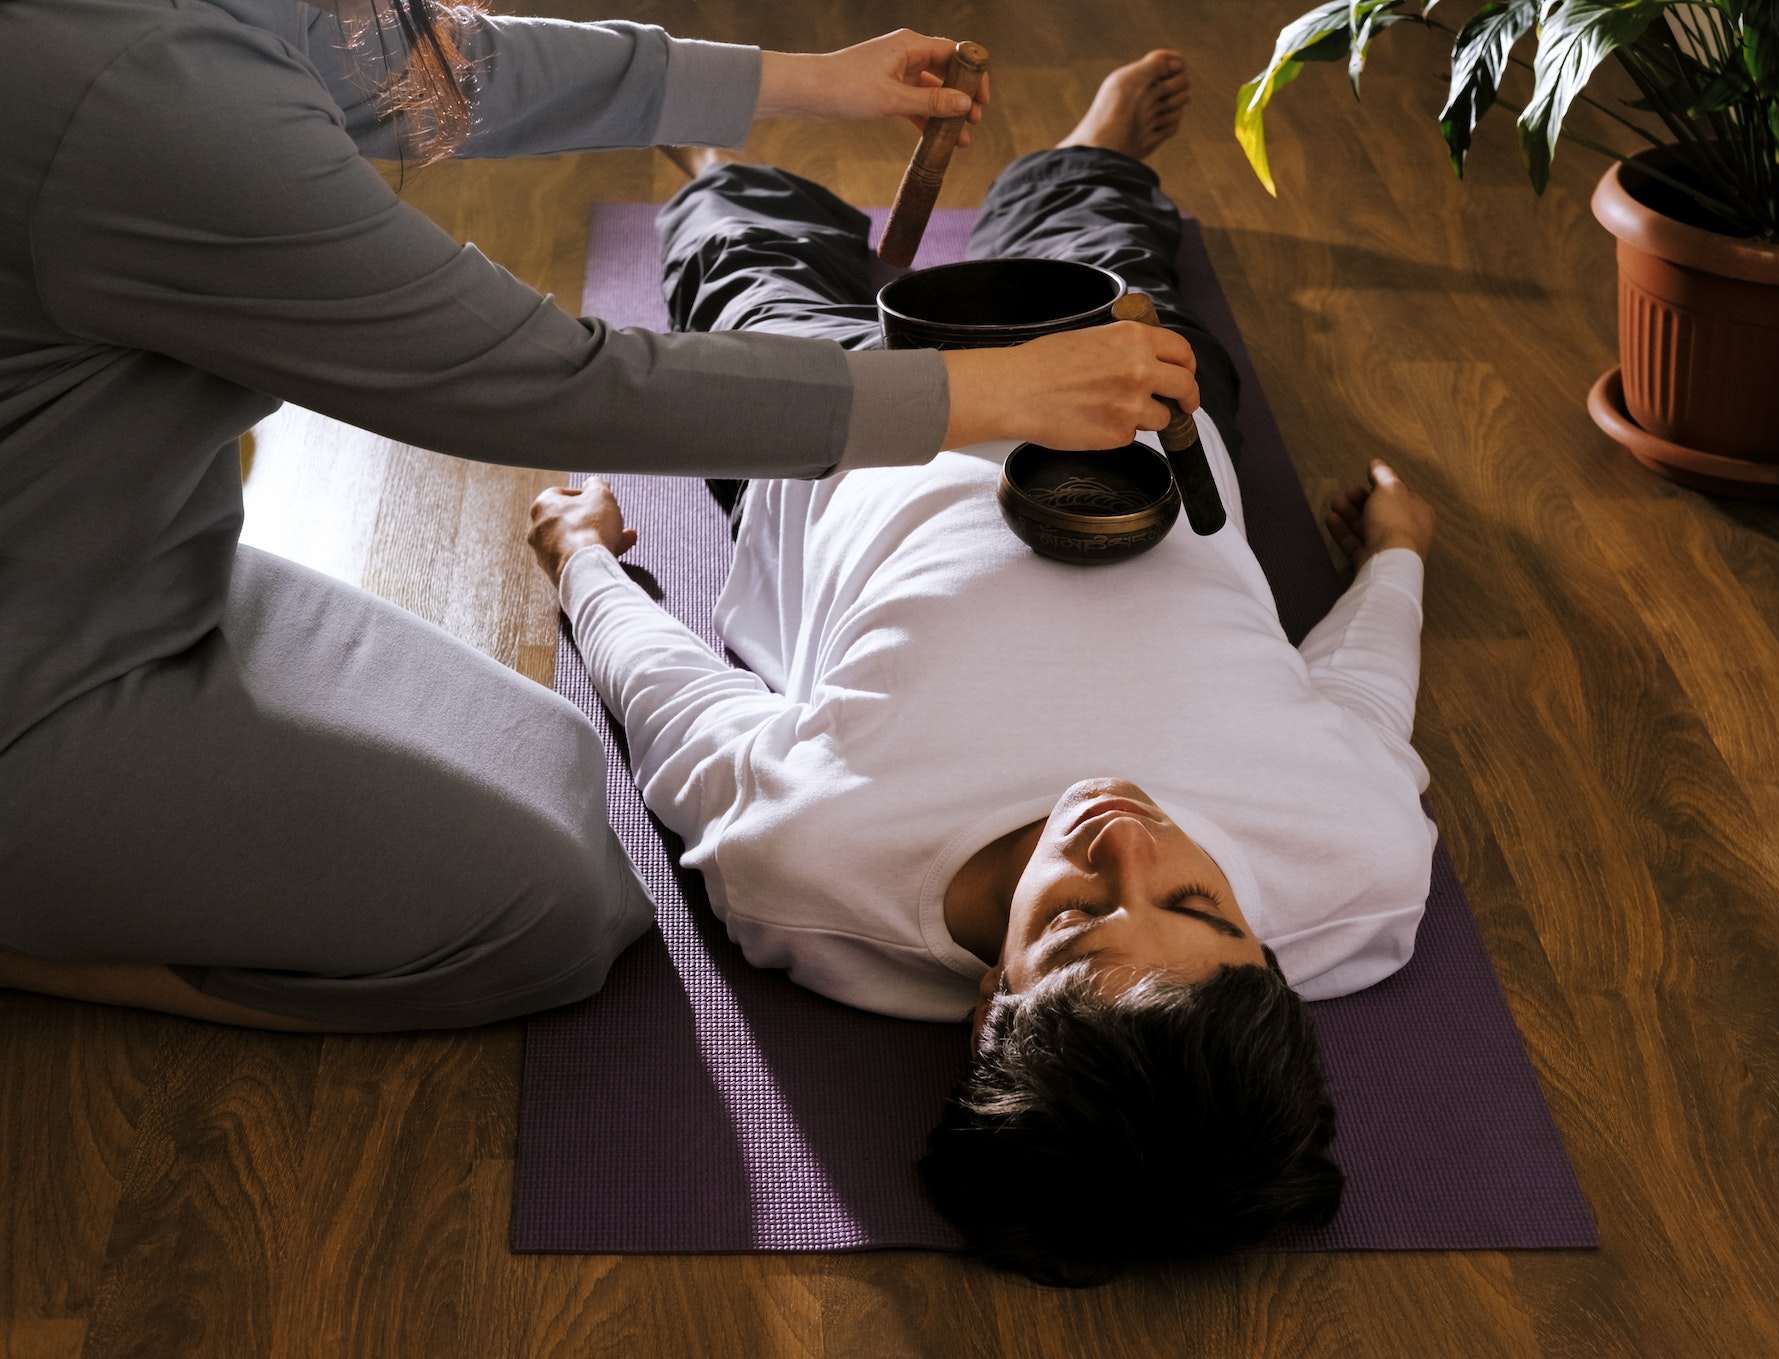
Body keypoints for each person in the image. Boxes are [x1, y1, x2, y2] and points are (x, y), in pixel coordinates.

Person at [0, 0, 1206, 1030]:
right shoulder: (142, 102)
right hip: (37, 676)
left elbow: (419, 63)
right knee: (556, 918)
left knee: (565, 770)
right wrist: (978, 392)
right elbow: (550, 382)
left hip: (132, 569)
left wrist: (806, 84)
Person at [527, 52, 1440, 1283]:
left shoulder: (811, 866)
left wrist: (584, 562)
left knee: (749, 273)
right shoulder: (1360, 863)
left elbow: (674, 707)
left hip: (846, 430)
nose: (1123, 836)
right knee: (1109, 252)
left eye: (1072, 920)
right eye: (1197, 902)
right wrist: (1394, 559)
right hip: (1130, 405)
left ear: (988, 1005)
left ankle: (719, 171)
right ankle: (1087, 151)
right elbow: (1363, 693)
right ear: (1265, 955)